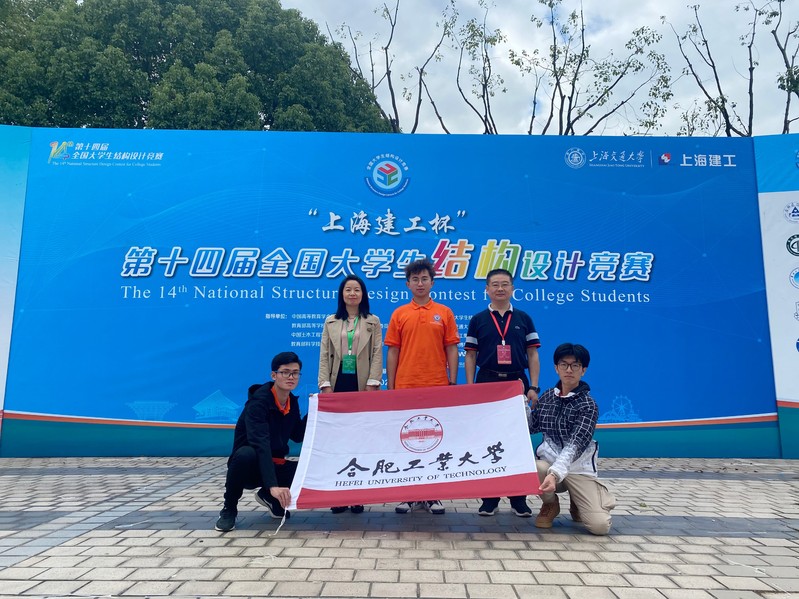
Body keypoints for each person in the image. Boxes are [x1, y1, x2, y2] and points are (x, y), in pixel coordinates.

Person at [384, 258, 460, 515]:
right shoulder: (399, 313)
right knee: (407, 441)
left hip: (437, 385)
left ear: (432, 282)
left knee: (434, 440)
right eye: (415, 279)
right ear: (408, 284)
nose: (420, 283)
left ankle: (432, 494)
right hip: (405, 385)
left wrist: (452, 381)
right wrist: (391, 386)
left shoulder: (444, 312)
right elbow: (393, 351)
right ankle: (408, 493)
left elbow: (452, 348)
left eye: (424, 279)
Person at [464, 268, 541, 517]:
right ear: (486, 289)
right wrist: (471, 389)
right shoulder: (478, 320)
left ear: (512, 289)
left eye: (505, 284)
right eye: (495, 284)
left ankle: (519, 498)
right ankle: (490, 498)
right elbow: (471, 356)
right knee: (488, 441)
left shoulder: (523, 318)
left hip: (516, 382)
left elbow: (532, 354)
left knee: (517, 441)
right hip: (487, 382)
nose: (500, 288)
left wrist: (533, 387)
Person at [527, 343, 615, 535]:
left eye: (575, 365)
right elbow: (531, 427)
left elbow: (575, 444)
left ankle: (581, 500)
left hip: (578, 468)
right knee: (535, 467)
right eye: (564, 364)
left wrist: (555, 474)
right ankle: (550, 504)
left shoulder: (588, 405)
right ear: (556, 368)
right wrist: (522, 404)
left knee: (600, 527)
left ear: (583, 370)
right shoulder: (547, 396)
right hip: (549, 465)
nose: (569, 370)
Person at [214, 351, 307, 532]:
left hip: (275, 464)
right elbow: (261, 445)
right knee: (245, 454)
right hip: (250, 467)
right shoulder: (258, 403)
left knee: (305, 471)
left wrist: (316, 410)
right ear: (274, 375)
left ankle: (268, 496)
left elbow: (297, 435)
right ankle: (229, 509)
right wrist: (273, 485)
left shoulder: (291, 402)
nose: (291, 377)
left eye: (295, 373)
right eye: (285, 372)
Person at [318, 274, 383, 514]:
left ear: (363, 294)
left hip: (362, 384)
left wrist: (373, 383)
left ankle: (357, 495)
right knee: (338, 440)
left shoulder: (373, 321)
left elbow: (377, 353)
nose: (352, 293)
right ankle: (338, 494)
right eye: (348, 289)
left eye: (357, 289)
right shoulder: (331, 321)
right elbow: (324, 354)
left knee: (360, 438)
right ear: (342, 294)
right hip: (338, 383)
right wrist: (324, 384)